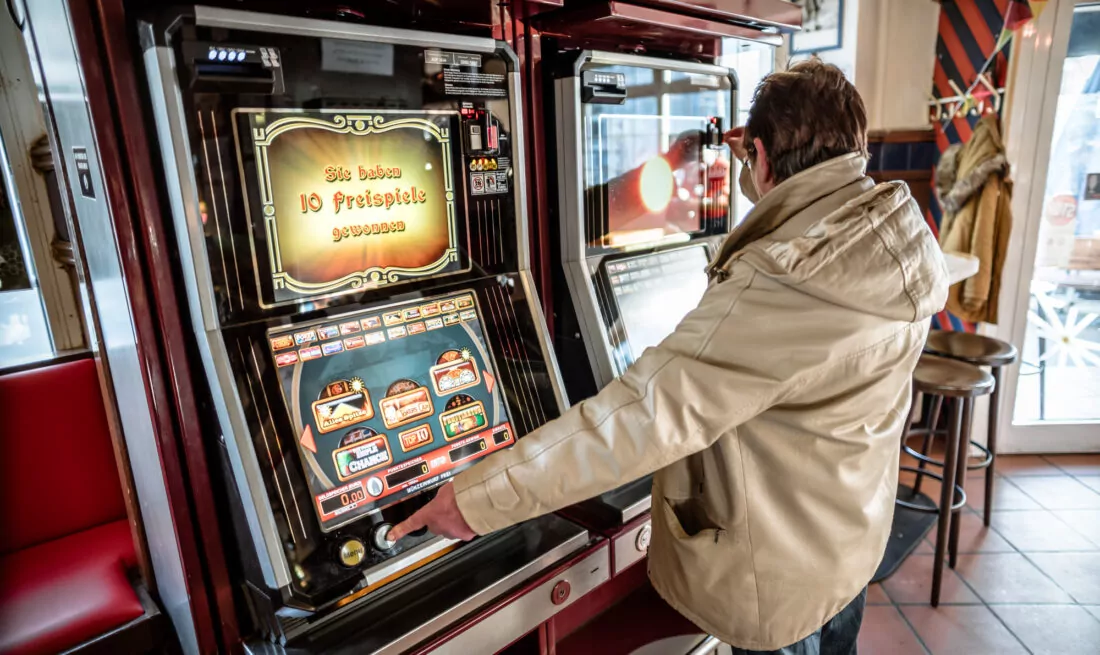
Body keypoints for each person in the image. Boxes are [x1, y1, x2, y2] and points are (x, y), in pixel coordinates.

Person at [390, 60, 949, 654]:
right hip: (845, 542)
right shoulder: (892, 234)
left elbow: (645, 414)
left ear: (759, 157)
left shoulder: (785, 284)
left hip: (780, 583)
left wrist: (476, 498)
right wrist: (762, 157)